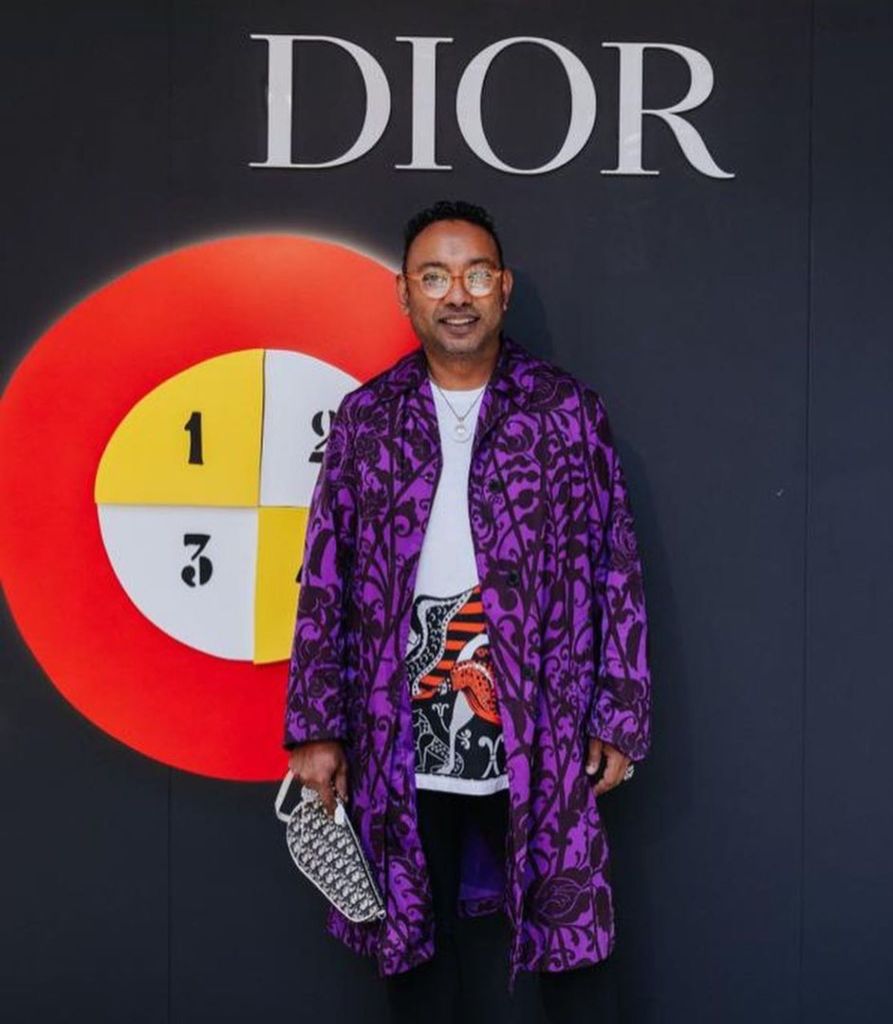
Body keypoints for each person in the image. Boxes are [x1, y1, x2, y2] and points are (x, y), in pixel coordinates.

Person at [284, 200, 652, 1023]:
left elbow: (615, 563)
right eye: (435, 276)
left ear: (504, 288)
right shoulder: (368, 419)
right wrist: (317, 726)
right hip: (399, 719)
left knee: (571, 936)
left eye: (477, 274)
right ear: (404, 293)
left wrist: (619, 713)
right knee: (414, 939)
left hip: (542, 714)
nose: (458, 294)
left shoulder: (565, 412)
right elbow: (324, 577)